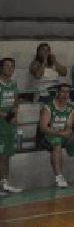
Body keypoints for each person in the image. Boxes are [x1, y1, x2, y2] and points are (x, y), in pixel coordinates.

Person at [37, 83, 74, 188]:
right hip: (46, 136)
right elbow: (43, 128)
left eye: (67, 92)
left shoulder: (71, 108)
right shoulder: (48, 107)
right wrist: (60, 133)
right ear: (58, 93)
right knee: (57, 143)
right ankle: (59, 176)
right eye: (63, 91)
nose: (65, 94)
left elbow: (69, 125)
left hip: (61, 135)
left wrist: (68, 131)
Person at [0, 57, 22, 194]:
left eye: (12, 66)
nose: (10, 69)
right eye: (7, 66)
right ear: (1, 68)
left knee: (6, 155)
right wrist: (8, 117)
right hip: (1, 124)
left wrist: (14, 114)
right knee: (1, 155)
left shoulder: (13, 84)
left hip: (9, 126)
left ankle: (5, 183)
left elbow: (15, 102)